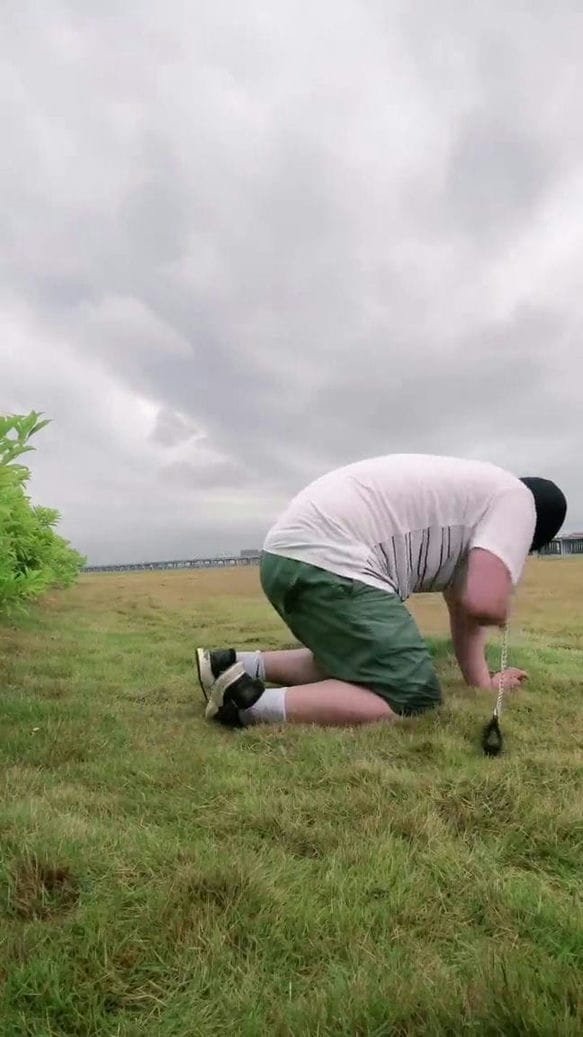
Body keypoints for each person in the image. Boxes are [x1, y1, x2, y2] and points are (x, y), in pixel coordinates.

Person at [196, 454, 567, 729]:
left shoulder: (478, 504)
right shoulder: (517, 502)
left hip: (286, 557)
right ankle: (247, 704)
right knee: (412, 696)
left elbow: (464, 614)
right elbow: (482, 603)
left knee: (364, 659)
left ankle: (230, 665)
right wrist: (500, 605)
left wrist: (483, 685)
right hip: (331, 560)